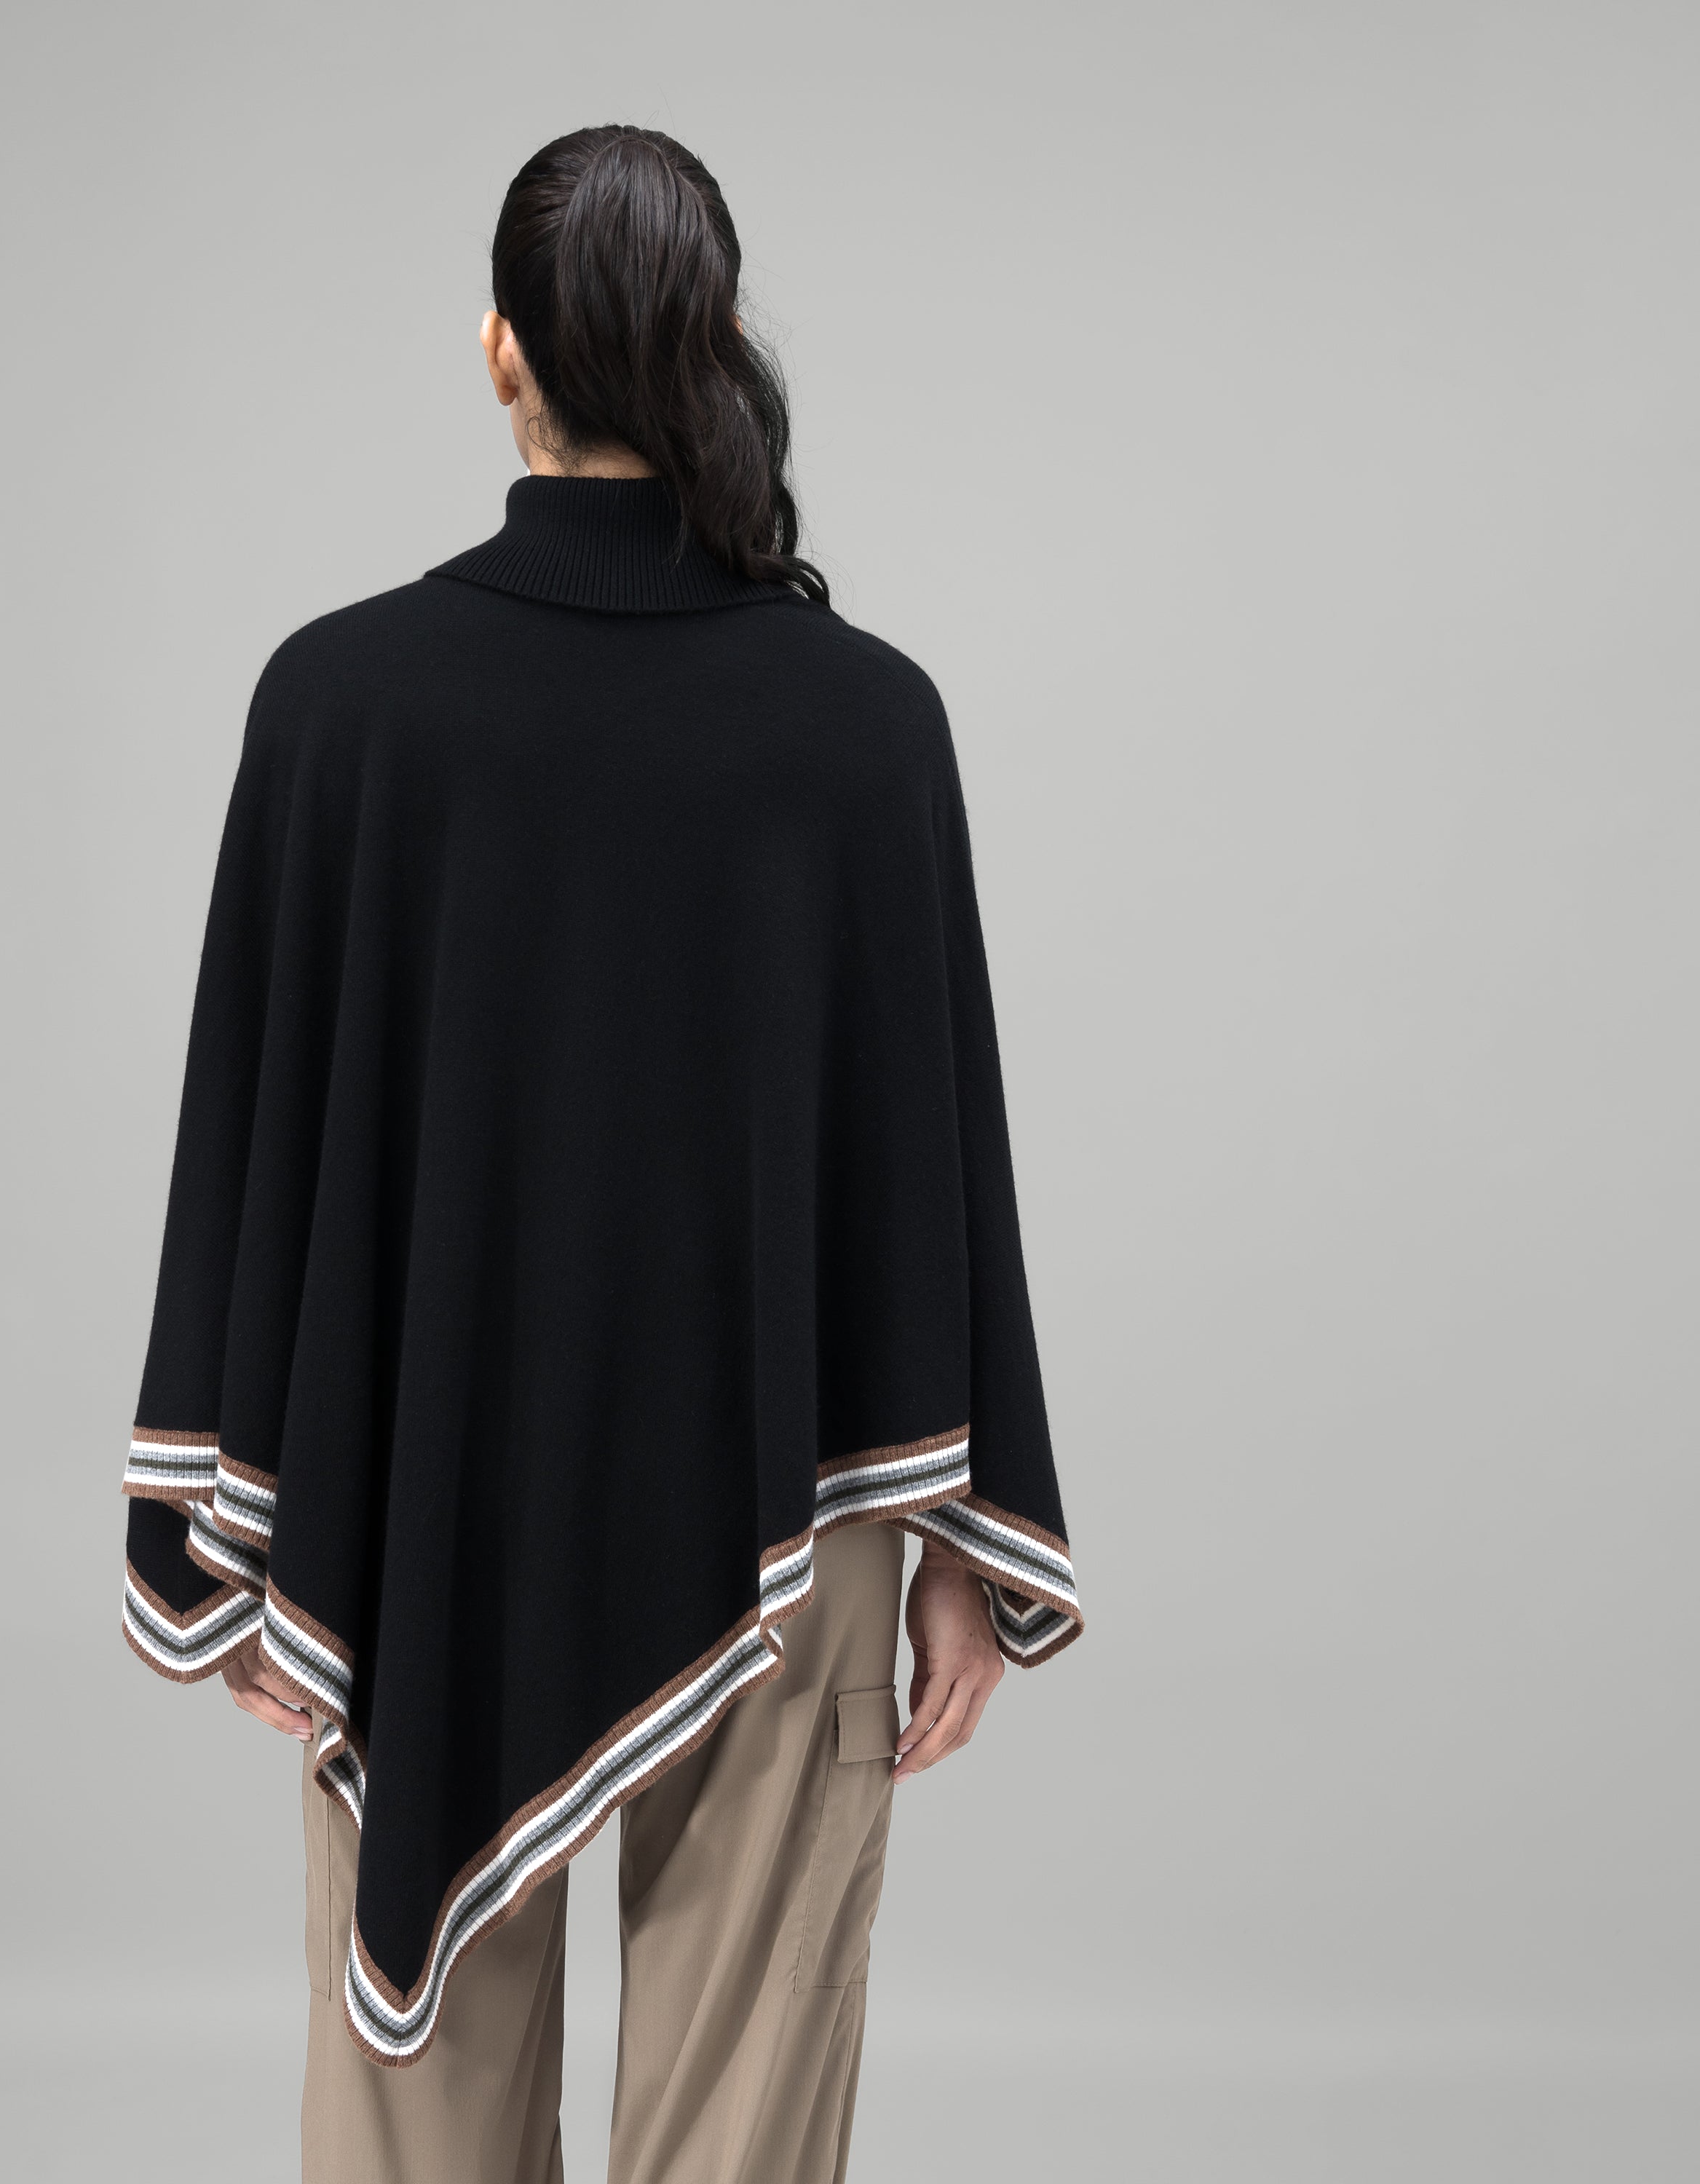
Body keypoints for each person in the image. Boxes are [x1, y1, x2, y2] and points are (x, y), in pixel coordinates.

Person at [118, 124, 1082, 2184]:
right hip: (794, 1493)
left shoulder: (339, 704)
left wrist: (241, 1528)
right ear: (710, 345)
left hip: (417, 1495)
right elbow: (936, 1173)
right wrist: (963, 1539)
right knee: (747, 2110)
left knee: (412, 2120)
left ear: (502, 351)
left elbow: (250, 1143)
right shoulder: (866, 720)